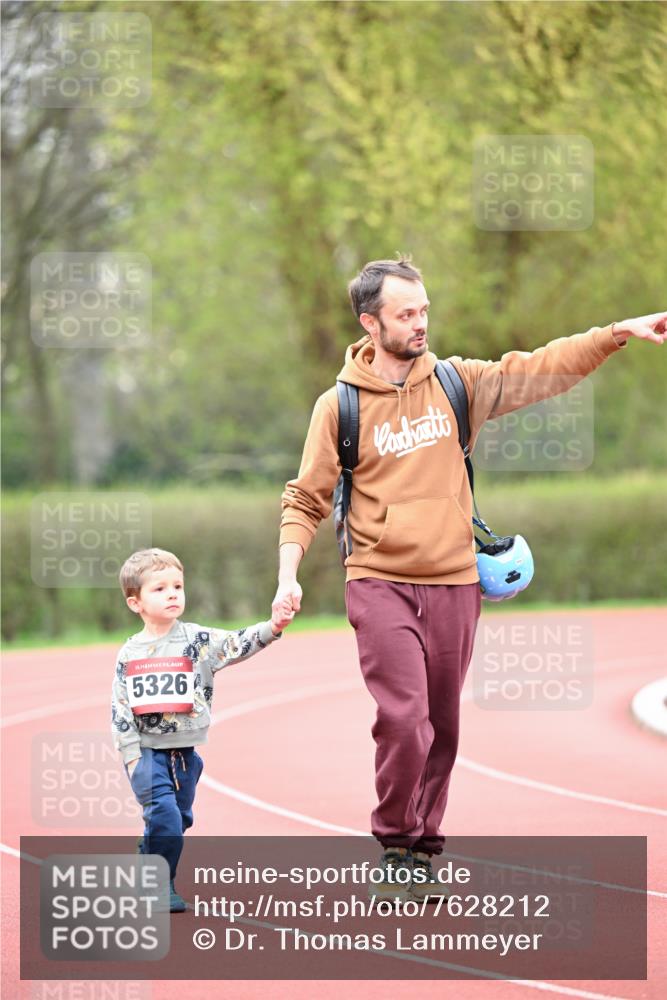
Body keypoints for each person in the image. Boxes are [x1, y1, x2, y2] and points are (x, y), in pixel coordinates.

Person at [273, 256, 666, 902]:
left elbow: (541, 367)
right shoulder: (336, 407)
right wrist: (287, 574)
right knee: (404, 718)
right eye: (405, 314)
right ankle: (395, 842)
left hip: (455, 581)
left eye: (423, 309)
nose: (420, 323)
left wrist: (615, 332)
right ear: (370, 323)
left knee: (443, 725)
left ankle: (423, 848)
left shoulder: (459, 384)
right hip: (379, 580)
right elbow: (304, 498)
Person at [112, 547, 294, 911]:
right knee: (163, 814)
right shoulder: (129, 654)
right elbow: (120, 709)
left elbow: (236, 644)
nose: (172, 594)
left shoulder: (197, 641)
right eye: (159, 589)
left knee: (178, 819)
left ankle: (150, 851)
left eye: (177, 586)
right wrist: (131, 756)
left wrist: (272, 628)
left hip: (186, 753)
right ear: (136, 603)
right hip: (147, 752)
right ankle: (160, 885)